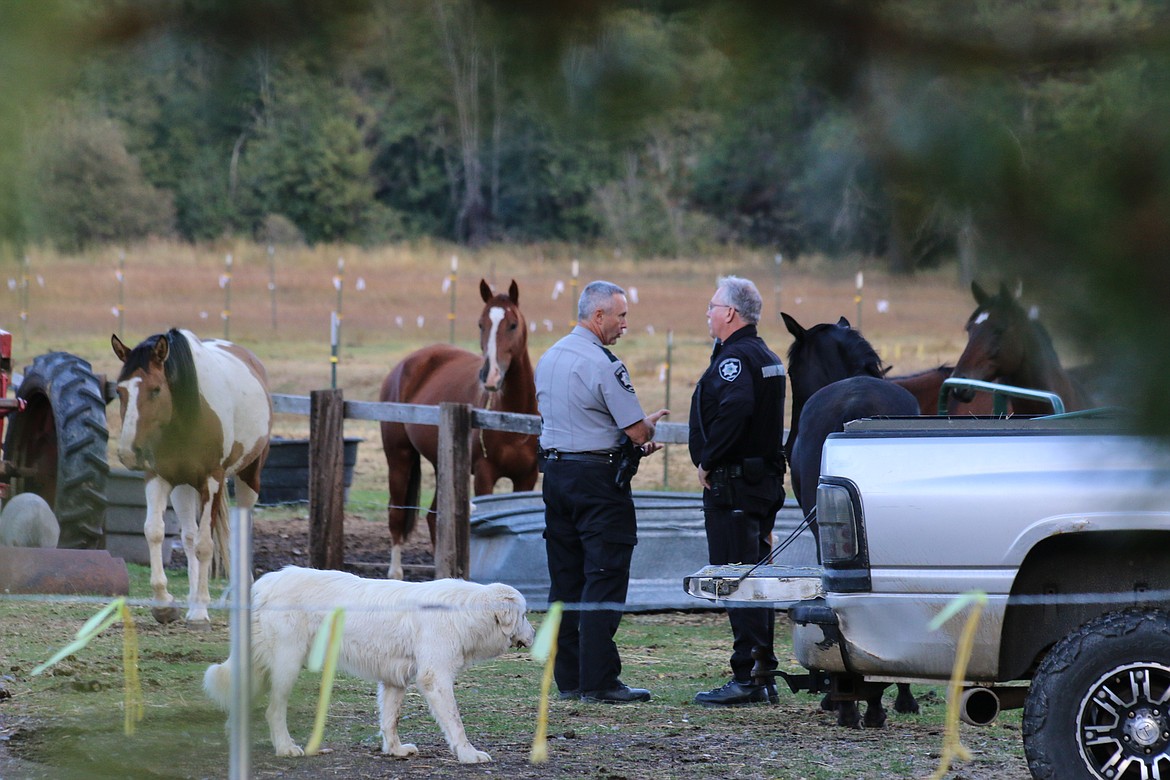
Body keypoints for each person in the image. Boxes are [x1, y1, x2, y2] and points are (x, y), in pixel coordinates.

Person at [535, 280, 670, 704]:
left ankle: (570, 678)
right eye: (621, 315)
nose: (626, 324)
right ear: (598, 317)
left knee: (566, 578)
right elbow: (634, 431)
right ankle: (599, 680)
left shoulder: (549, 356)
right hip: (597, 482)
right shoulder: (603, 364)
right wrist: (646, 428)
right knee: (604, 576)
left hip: (556, 477)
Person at [689, 275, 787, 706]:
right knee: (758, 577)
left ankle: (745, 676)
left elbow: (737, 408)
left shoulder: (736, 359)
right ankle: (763, 672)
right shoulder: (767, 355)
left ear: (729, 313)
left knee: (736, 578)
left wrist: (708, 459)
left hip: (734, 488)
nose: (708, 313)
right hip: (761, 484)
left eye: (712, 306)